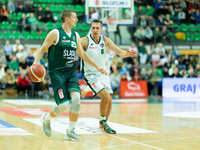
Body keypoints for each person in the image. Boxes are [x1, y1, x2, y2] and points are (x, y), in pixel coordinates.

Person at [31, 9, 107, 141]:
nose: (77, 20)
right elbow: (43, 48)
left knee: (77, 99)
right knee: (64, 105)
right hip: (57, 73)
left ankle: (71, 131)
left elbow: (82, 54)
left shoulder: (75, 35)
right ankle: (46, 119)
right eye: (74, 18)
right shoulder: (55, 33)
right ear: (67, 19)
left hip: (71, 72)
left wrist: (97, 66)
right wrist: (35, 64)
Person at [80, 19, 137, 134]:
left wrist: (127, 54)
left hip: (103, 73)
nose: (95, 30)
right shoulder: (84, 40)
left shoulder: (106, 40)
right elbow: (76, 50)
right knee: (105, 96)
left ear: (101, 29)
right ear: (91, 28)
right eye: (93, 28)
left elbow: (120, 52)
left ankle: (104, 123)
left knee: (109, 100)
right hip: (90, 74)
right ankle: (102, 121)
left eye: (97, 28)